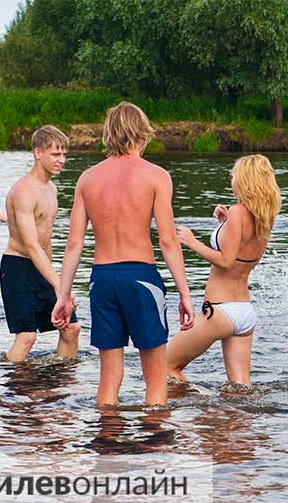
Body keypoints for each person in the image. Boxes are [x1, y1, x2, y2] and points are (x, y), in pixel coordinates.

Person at [51, 102, 194, 409]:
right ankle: (154, 449)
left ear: (109, 133)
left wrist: (63, 295)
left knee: (109, 378)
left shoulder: (88, 178)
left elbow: (74, 244)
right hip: (141, 277)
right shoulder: (156, 176)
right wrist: (185, 293)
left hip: (102, 279)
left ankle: (108, 448)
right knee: (155, 379)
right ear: (142, 133)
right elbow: (168, 241)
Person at [166, 154, 282, 385]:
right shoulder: (264, 218)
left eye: (234, 174)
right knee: (240, 387)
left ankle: (194, 415)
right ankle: (236, 420)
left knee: (164, 368)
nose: (231, 178)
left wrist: (192, 242)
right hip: (244, 312)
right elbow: (243, 256)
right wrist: (225, 224)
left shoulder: (238, 212)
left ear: (244, 180)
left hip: (219, 310)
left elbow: (227, 261)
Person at [0, 125, 80, 362]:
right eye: (56, 154)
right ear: (38, 153)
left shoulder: (52, 189)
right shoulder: (23, 190)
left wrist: (57, 279)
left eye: (64, 154)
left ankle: (60, 389)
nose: (61, 160)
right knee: (26, 337)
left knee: (71, 329)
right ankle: (15, 388)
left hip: (43, 269)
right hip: (18, 267)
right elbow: (32, 245)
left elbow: (46, 243)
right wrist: (60, 288)